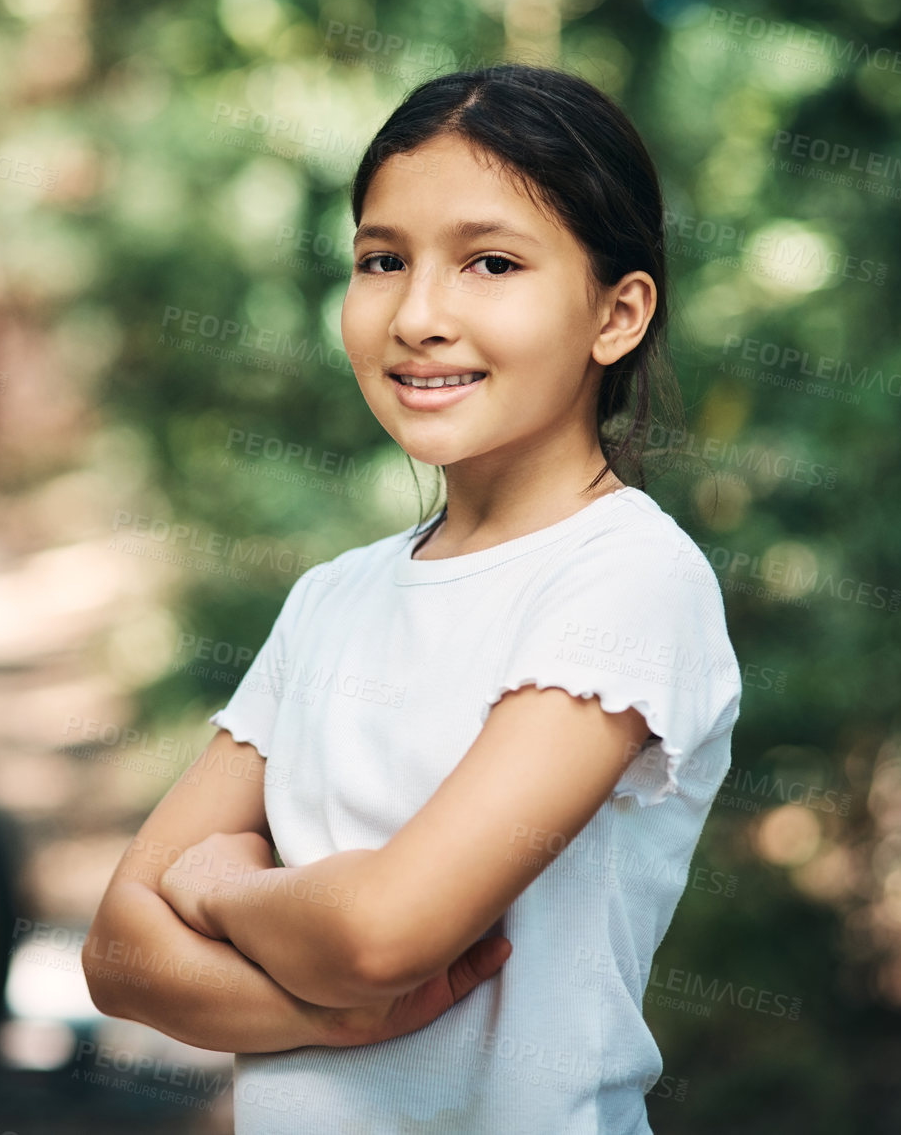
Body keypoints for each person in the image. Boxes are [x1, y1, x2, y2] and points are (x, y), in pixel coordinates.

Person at [84, 62, 742, 1134]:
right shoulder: (331, 597)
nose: (419, 313)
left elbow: (385, 936)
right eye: (381, 259)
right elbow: (117, 956)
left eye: (490, 262)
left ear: (614, 313)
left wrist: (216, 886)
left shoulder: (627, 581)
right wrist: (339, 1019)